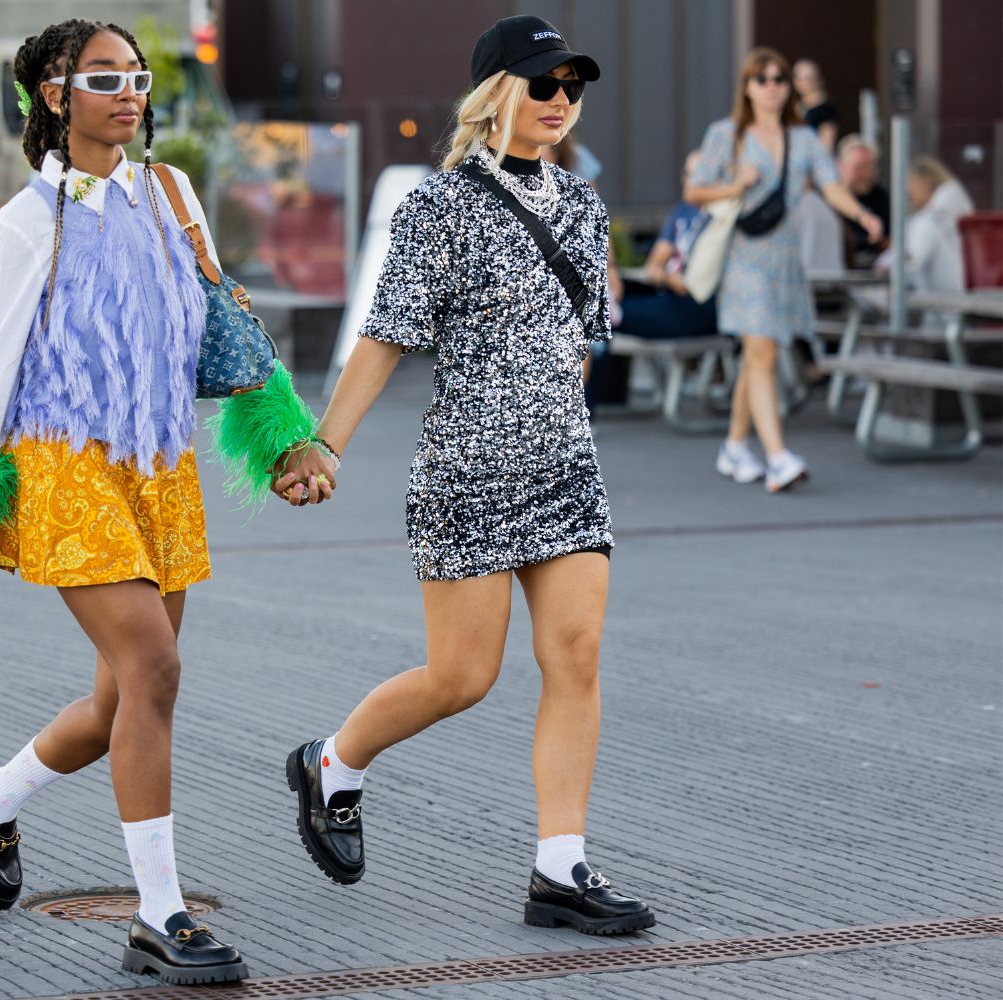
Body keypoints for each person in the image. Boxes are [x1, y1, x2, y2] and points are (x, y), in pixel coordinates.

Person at [0, 18, 316, 985]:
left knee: (120, 697)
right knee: (155, 669)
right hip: (62, 465)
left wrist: (284, 436)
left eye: (136, 76)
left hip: (157, 466)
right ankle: (159, 918)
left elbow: (225, 321)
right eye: (103, 78)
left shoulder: (172, 193)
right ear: (54, 95)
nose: (129, 92)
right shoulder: (23, 226)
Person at [274, 15, 655, 937]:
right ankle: (333, 764)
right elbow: (384, 339)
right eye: (544, 82)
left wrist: (557, 409)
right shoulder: (436, 208)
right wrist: (324, 446)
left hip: (566, 468)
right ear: (496, 95)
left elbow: (580, 341)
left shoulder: (584, 206)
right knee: (462, 676)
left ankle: (559, 868)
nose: (562, 100)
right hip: (469, 474)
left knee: (576, 654)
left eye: (573, 85)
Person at [686, 48, 882, 492]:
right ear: (748, 88)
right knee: (764, 353)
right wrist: (737, 184)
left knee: (759, 354)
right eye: (762, 79)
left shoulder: (806, 139)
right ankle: (777, 457)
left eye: (779, 78)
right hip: (744, 258)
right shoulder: (727, 134)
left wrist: (862, 215)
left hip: (785, 260)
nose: (772, 86)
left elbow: (832, 187)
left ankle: (735, 447)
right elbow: (695, 192)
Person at [617, 151, 718, 339]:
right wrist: (669, 279)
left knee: (607, 313)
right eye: (685, 174)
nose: (687, 181)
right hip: (671, 292)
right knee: (611, 294)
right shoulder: (682, 211)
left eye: (695, 175)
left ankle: (611, 315)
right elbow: (654, 266)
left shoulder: (721, 215)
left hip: (700, 304)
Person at [879, 156, 975, 293]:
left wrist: (887, 264)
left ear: (925, 180)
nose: (908, 192)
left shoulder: (943, 205)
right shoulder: (930, 213)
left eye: (910, 184)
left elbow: (913, 256)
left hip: (951, 289)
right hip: (947, 287)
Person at [835, 134, 889, 266]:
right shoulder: (829, 200)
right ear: (840, 166)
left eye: (871, 167)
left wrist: (880, 239)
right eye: (859, 167)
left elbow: (894, 242)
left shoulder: (881, 197)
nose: (866, 174)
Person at [792, 58, 839, 152]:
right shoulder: (797, 106)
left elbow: (826, 146)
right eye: (801, 78)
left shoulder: (825, 110)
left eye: (810, 78)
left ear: (819, 79)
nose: (806, 82)